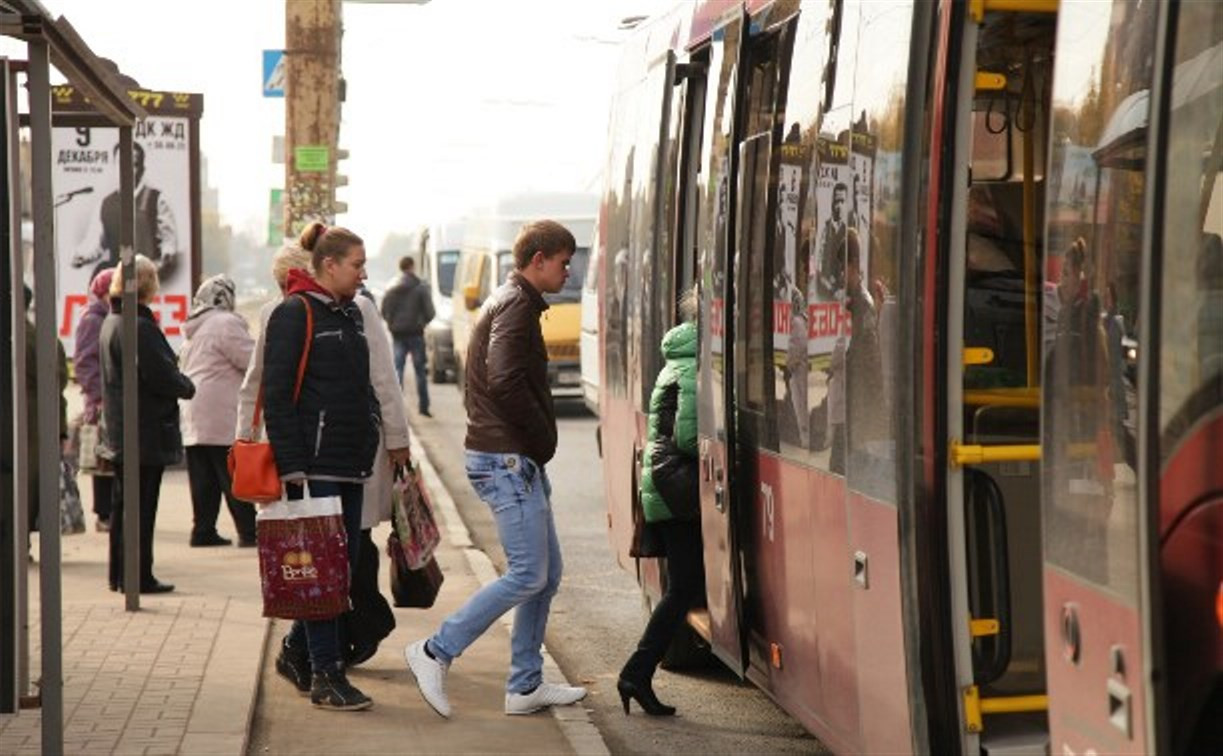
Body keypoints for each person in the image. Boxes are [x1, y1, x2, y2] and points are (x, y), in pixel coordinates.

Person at [405, 220, 587, 718]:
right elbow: (506, 382)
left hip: (512, 458)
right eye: (564, 261)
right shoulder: (515, 307)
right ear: (539, 259)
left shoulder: (512, 301)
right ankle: (434, 651)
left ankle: (525, 685)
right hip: (507, 459)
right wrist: (539, 438)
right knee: (530, 573)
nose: (568, 271)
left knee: (545, 577)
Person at [262, 222, 381, 712]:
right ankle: (326, 676)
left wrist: (373, 425)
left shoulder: (351, 312)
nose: (363, 272)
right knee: (321, 578)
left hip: (351, 464)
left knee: (341, 574)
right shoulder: (293, 314)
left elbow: (363, 383)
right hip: (314, 467)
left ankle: (301, 652)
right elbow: (276, 394)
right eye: (356, 263)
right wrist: (293, 466)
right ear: (328, 265)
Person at [617, 288, 703, 716]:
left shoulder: (681, 357)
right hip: (678, 488)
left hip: (667, 485)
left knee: (682, 586)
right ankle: (635, 672)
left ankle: (637, 674)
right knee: (682, 588)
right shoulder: (692, 366)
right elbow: (689, 438)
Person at [100, 255, 195, 594]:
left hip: (121, 428)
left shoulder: (112, 321)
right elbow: (161, 375)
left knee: (123, 506)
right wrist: (186, 385)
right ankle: (139, 576)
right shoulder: (139, 327)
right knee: (141, 508)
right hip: (145, 430)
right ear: (148, 284)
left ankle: (119, 574)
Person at [179, 274, 257, 548]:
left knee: (203, 477)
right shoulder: (225, 322)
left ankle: (203, 530)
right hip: (220, 408)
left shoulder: (194, 327)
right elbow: (251, 359)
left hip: (194, 407)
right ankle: (249, 531)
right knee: (233, 473)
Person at [70, 142, 180, 282]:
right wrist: (81, 256)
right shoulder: (106, 204)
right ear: (114, 166)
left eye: (133, 164)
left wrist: (164, 259)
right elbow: (96, 241)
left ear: (141, 169)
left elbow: (168, 241)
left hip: (148, 279)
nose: (126, 170)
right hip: (117, 280)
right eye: (120, 163)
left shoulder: (157, 199)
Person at [23, 283, 69, 541]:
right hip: (42, 418)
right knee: (34, 480)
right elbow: (58, 378)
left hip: (28, 418)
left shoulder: (24, 337)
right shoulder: (43, 336)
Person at [74, 267, 114, 532]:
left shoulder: (107, 317)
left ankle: (108, 512)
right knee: (102, 461)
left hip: (107, 398)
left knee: (109, 458)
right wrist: (99, 397)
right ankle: (103, 514)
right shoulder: (93, 320)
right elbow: (85, 363)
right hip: (101, 401)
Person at [380, 255, 435, 415]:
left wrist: (392, 323)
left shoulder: (391, 287)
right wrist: (422, 322)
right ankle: (423, 407)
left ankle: (397, 408)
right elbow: (430, 312)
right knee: (420, 371)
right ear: (412, 266)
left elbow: (384, 311)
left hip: (398, 334)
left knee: (398, 369)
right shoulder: (420, 287)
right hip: (416, 333)